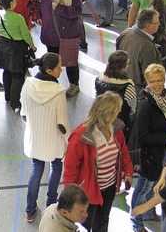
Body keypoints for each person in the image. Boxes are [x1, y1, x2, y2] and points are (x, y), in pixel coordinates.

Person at [63, 91, 134, 232]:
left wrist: (129, 172)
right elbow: (70, 170)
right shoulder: (80, 137)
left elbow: (123, 152)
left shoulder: (116, 129)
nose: (119, 114)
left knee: (103, 220)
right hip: (88, 192)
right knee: (86, 224)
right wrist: (70, 198)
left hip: (109, 187)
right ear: (107, 114)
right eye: (116, 112)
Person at [21, 53, 70, 222]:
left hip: (35, 138)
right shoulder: (58, 92)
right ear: (50, 71)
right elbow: (62, 124)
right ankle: (51, 204)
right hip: (53, 141)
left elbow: (24, 114)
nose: (61, 70)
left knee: (36, 170)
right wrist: (68, 141)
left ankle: (30, 209)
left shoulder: (28, 84)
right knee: (56, 168)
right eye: (59, 67)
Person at [130, 64, 166, 232]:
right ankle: (136, 221)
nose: (157, 84)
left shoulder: (164, 96)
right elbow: (142, 137)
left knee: (154, 184)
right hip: (149, 156)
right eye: (153, 81)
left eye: (160, 80)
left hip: (161, 152)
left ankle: (149, 212)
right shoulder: (145, 105)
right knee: (143, 188)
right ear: (147, 81)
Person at [40, 0, 83, 98]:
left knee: (70, 62)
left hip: (67, 35)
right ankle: (51, 84)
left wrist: (59, 8)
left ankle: (74, 85)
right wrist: (39, 17)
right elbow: (42, 6)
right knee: (51, 61)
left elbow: (77, 12)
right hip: (51, 33)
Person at [0, 0, 37, 111]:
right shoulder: (18, 18)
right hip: (16, 49)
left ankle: (7, 97)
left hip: (2, 46)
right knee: (17, 75)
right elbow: (26, 34)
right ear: (11, 3)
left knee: (6, 72)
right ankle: (15, 103)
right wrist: (32, 46)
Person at [116, 8, 161, 96]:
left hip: (122, 84)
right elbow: (149, 75)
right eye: (156, 22)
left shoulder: (126, 33)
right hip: (136, 91)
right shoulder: (147, 46)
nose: (159, 24)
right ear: (148, 25)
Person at [95, 50, 137, 143]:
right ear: (123, 67)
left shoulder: (99, 78)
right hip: (120, 123)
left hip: (100, 120)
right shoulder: (128, 85)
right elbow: (133, 108)